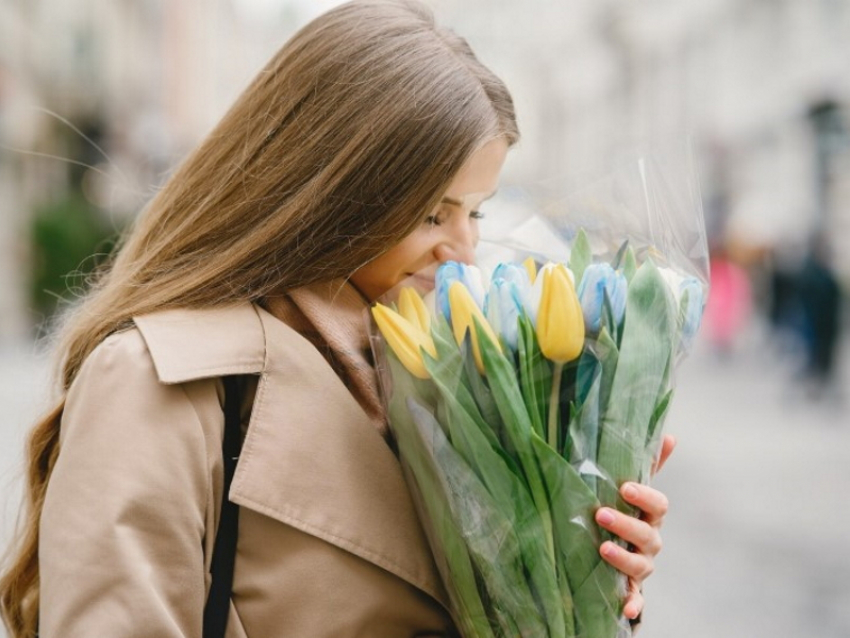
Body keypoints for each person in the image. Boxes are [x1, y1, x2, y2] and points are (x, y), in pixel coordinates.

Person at [0, 1, 674, 636]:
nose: (463, 251)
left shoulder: (464, 384)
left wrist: (577, 578)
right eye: (431, 213)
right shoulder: (164, 382)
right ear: (331, 193)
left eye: (476, 212)